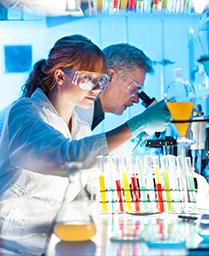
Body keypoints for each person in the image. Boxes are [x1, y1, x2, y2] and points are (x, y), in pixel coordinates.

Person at [0, 35, 170, 242]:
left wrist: (133, 139)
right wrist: (136, 124)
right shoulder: (25, 112)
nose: (97, 88)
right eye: (88, 79)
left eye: (101, 81)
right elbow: (68, 157)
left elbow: (93, 172)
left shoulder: (79, 127)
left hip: (46, 239)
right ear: (60, 76)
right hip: (11, 240)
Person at [83, 43, 154, 131]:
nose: (136, 100)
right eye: (134, 88)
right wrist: (140, 124)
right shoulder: (77, 113)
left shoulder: (92, 114)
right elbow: (77, 145)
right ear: (109, 76)